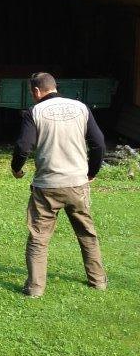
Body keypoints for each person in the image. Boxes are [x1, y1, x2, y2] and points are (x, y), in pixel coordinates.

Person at [11, 71, 107, 297]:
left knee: (39, 238)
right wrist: (91, 172)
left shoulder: (34, 112)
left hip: (47, 187)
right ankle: (98, 281)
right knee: (87, 234)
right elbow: (99, 144)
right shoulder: (81, 108)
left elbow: (23, 147)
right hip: (77, 184)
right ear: (55, 87)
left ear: (36, 91)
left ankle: (35, 288)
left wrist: (17, 169)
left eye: (32, 93)